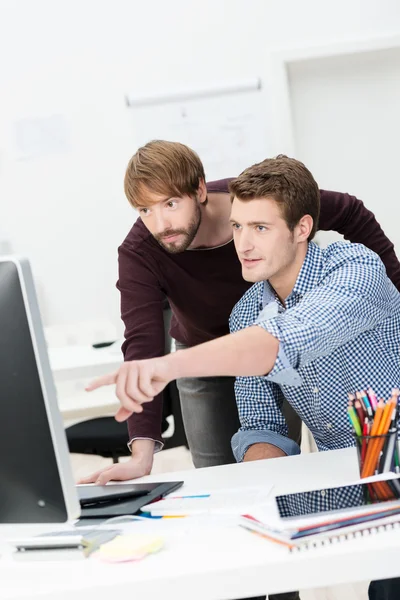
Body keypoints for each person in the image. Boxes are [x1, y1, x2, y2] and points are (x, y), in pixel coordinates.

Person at [87, 155, 400, 600]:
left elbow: (285, 341)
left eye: (260, 228)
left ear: (302, 228)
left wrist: (167, 367)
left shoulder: (356, 271)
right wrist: (252, 499)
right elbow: (260, 423)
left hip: (387, 455)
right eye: (236, 227)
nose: (243, 244)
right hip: (356, 469)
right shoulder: (248, 311)